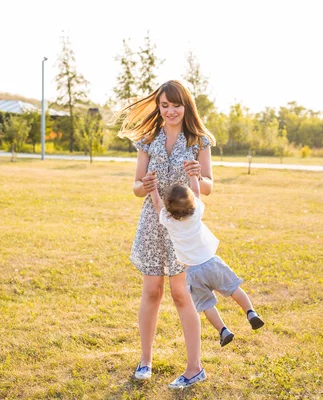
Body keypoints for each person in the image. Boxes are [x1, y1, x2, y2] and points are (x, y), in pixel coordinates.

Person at [118, 80, 214, 389]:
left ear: (186, 105)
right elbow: (135, 187)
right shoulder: (148, 140)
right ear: (159, 108)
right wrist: (143, 186)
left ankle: (194, 367)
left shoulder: (198, 140)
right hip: (152, 224)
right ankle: (145, 361)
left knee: (180, 293)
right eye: (164, 105)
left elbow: (209, 187)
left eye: (176, 105)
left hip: (183, 227)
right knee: (151, 292)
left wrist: (200, 176)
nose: (170, 111)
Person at [147, 170, 265, 349]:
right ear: (191, 204)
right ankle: (250, 312)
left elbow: (156, 203)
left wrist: (153, 188)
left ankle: (223, 330)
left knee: (206, 305)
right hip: (212, 263)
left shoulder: (169, 221)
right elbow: (196, 192)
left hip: (193, 272)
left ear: (169, 210)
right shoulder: (195, 215)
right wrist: (194, 176)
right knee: (234, 289)